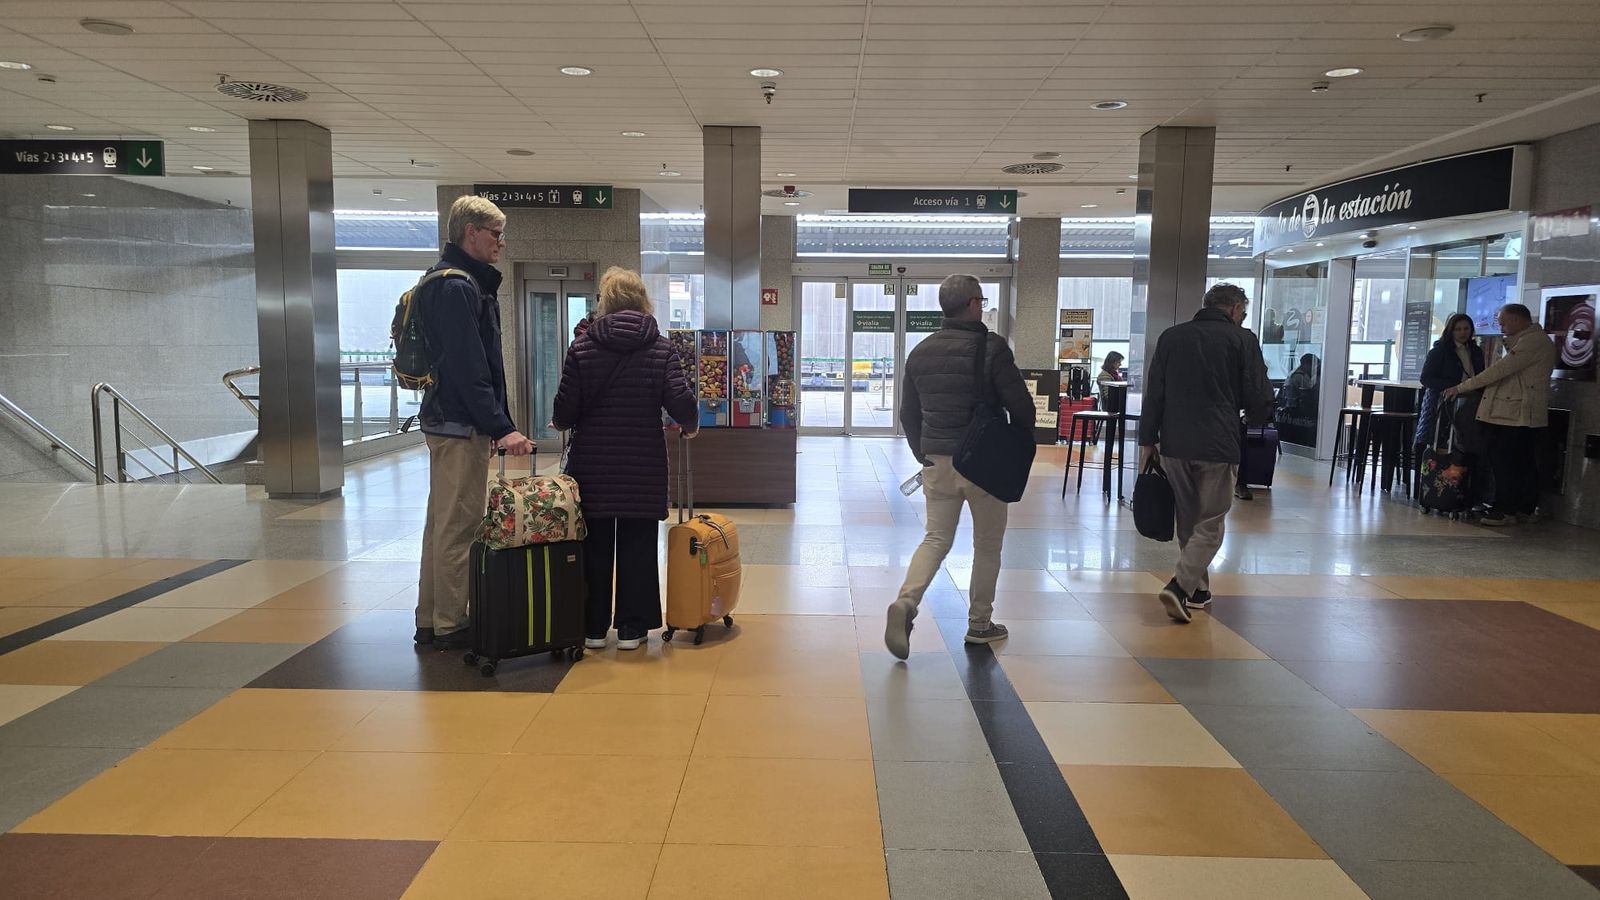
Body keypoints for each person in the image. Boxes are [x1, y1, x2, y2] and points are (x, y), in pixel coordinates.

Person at [885, 274, 1034, 659]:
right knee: (987, 545)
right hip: (984, 462)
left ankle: (906, 601)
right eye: (981, 301)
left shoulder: (921, 351)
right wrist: (1017, 444)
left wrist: (924, 453)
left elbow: (908, 413)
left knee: (935, 539)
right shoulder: (992, 348)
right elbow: (1021, 407)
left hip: (937, 460)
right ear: (972, 304)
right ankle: (980, 624)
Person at [553, 267, 699, 650]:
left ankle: (593, 628)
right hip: (643, 464)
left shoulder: (582, 348)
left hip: (593, 466)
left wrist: (560, 420)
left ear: (605, 301)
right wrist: (690, 423)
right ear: (642, 300)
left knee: (594, 544)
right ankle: (633, 629)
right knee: (638, 543)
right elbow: (680, 400)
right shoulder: (661, 348)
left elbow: (566, 409)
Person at [416, 196, 535, 651]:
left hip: (448, 420)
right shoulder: (458, 287)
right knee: (459, 525)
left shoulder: (444, 280)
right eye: (495, 235)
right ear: (471, 233)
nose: (501, 244)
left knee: (441, 523)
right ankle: (450, 623)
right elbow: (471, 368)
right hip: (460, 424)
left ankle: (431, 618)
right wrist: (501, 426)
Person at [1139, 283, 1275, 623]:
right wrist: (1258, 418)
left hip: (1175, 442)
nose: (1243, 318)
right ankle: (1179, 586)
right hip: (1218, 443)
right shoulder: (1242, 340)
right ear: (1233, 310)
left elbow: (1154, 392)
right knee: (1212, 522)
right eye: (1243, 312)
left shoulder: (1172, 337)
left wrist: (1147, 439)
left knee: (1189, 519)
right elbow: (1257, 393)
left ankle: (1198, 590)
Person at [1445, 303, 1556, 526]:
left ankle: (1505, 508)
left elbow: (1499, 371)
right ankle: (1521, 506)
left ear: (1517, 320)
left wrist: (1461, 387)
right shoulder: (1528, 341)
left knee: (1505, 460)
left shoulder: (1532, 342)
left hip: (1515, 413)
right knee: (1518, 460)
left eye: (1504, 321)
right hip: (1514, 412)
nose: (1501, 325)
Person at [1417, 313, 1484, 453]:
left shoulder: (1476, 351)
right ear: (1451, 331)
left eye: (1466, 329)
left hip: (1471, 402)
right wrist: (1452, 386)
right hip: (1445, 403)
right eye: (1458, 329)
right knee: (1441, 443)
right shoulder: (1440, 351)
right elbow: (1426, 378)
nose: (1462, 333)